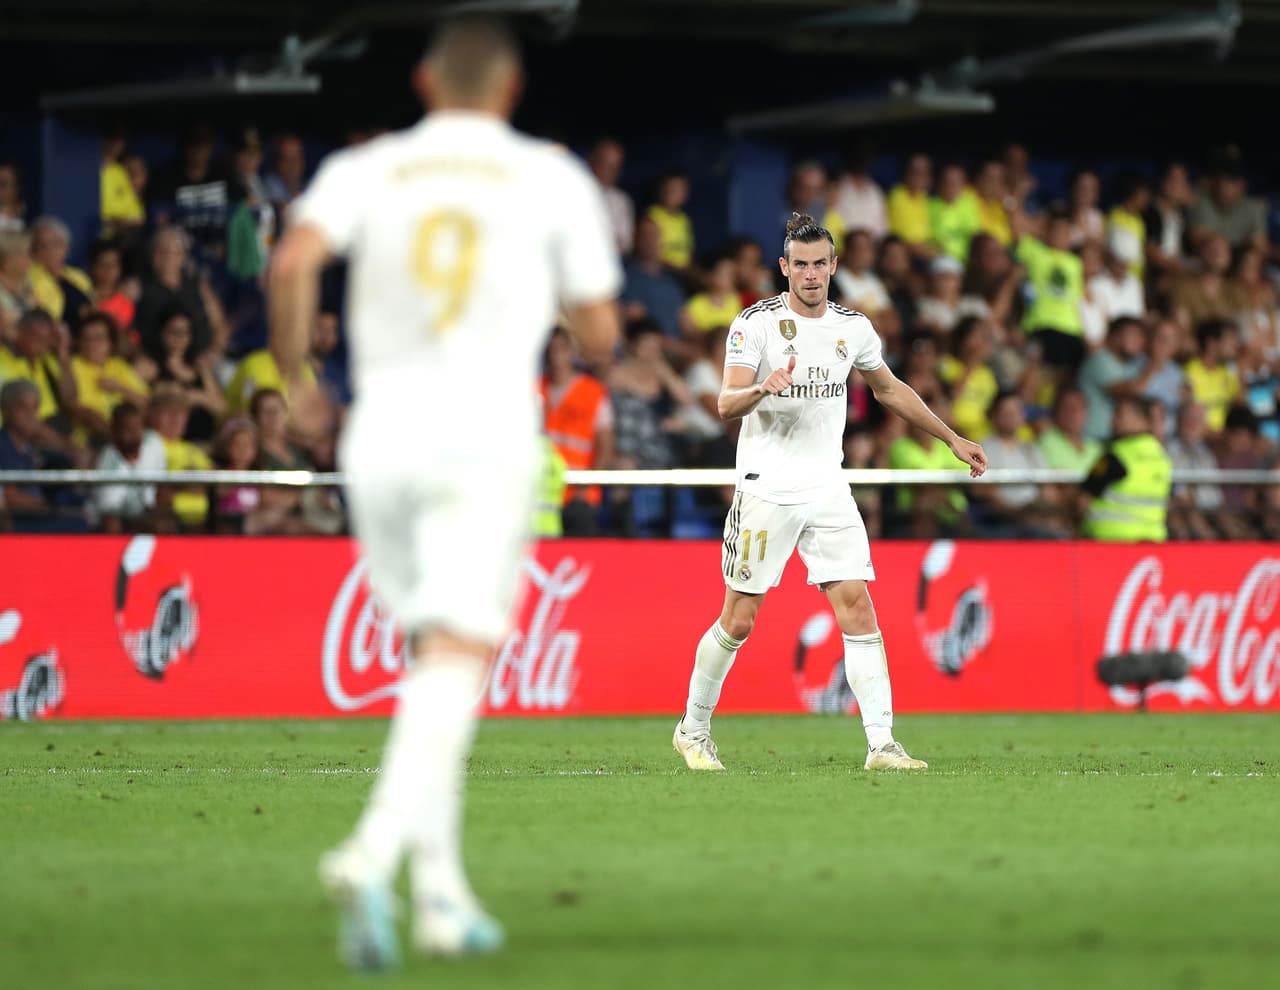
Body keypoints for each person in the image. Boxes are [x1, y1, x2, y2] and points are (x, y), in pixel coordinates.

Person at [268, 18, 621, 968]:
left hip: (377, 429)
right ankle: (369, 852)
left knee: (435, 660)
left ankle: (440, 900)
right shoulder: (550, 176)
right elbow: (596, 331)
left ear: (425, 81)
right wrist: (578, 318)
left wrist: (297, 380)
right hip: (483, 430)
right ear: (509, 91)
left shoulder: (366, 167)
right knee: (459, 653)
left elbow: (293, 261)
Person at [672, 212, 986, 775]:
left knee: (859, 607)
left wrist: (951, 438)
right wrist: (762, 388)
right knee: (739, 619)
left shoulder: (853, 327)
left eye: (821, 264)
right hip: (766, 487)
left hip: (828, 487)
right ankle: (692, 730)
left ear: (834, 267)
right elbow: (725, 403)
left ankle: (882, 745)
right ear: (784, 267)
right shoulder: (754, 325)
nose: (812, 274)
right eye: (802, 265)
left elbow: (888, 389)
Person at [1081, 394, 1172, 543]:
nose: (1112, 421)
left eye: (1119, 414)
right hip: (1152, 541)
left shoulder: (1115, 455)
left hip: (1110, 542)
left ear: (1141, 419)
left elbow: (1083, 501)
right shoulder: (1162, 456)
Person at [69, 310, 149, 444]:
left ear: (110, 343)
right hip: (91, 437)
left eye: (98, 338)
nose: (91, 344)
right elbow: (81, 410)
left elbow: (147, 403)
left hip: (128, 434)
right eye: (86, 339)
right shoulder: (73, 366)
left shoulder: (118, 366)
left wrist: (120, 389)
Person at [93, 403, 169, 532]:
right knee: (112, 524)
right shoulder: (108, 466)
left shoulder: (153, 442)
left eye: (138, 428)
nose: (135, 435)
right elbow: (111, 515)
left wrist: (162, 512)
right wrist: (147, 524)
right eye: (128, 429)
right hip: (122, 519)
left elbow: (162, 486)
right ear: (115, 432)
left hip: (150, 511)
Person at [1078, 316, 1151, 442]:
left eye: (1142, 337)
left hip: (1112, 437)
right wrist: (1154, 365)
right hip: (1091, 437)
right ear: (1115, 336)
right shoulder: (1100, 360)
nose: (1140, 341)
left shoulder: (1130, 366)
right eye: (1134, 335)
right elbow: (1129, 393)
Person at [1184, 319, 1242, 433]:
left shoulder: (1226, 372)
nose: (1235, 345)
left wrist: (1241, 368)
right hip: (1201, 438)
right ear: (1211, 343)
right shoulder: (1189, 372)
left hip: (1226, 436)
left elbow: (1240, 402)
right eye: (1229, 340)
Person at [1037, 386, 1102, 475]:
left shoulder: (1096, 448)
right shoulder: (1045, 442)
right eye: (1067, 407)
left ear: (1087, 412)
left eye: (1078, 408)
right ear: (1056, 411)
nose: (1073, 413)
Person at [587, 138, 633, 255]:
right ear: (591, 161)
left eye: (614, 167)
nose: (607, 171)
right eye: (603, 164)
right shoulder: (570, 192)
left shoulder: (622, 201)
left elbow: (625, 244)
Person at [928, 162, 980, 262]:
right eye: (947, 181)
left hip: (971, 259)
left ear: (964, 184)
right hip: (943, 259)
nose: (951, 185)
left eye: (956, 181)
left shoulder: (971, 201)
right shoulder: (930, 206)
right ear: (939, 183)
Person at [886, 153, 932, 258]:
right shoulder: (897, 196)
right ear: (906, 172)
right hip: (903, 252)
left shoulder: (926, 199)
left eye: (923, 173)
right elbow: (899, 237)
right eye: (914, 171)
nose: (918, 176)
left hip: (924, 252)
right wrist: (922, 249)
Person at [646, 172, 693, 270]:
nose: (674, 193)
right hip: (662, 270)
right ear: (662, 190)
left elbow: (688, 253)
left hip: (683, 271)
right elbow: (650, 255)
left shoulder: (684, 219)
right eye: (671, 189)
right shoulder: (653, 216)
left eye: (679, 190)